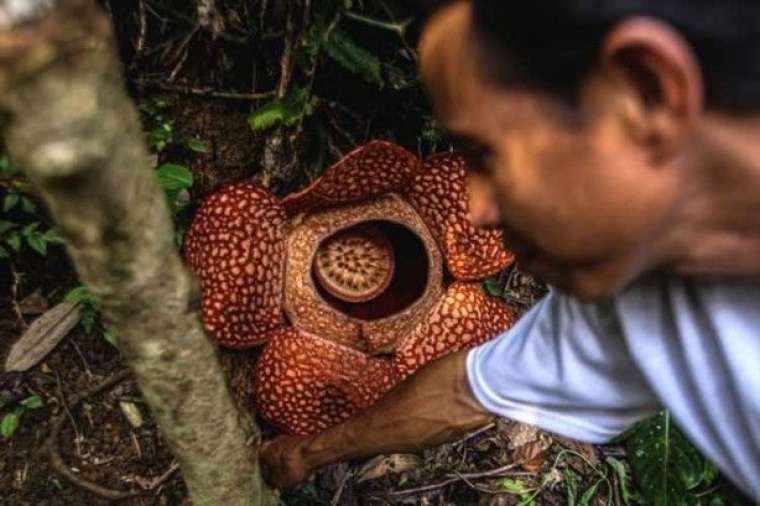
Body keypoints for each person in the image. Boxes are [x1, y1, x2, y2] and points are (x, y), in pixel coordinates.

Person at [260, 0, 760, 499]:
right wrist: (306, 453)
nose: (475, 210)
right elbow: (465, 392)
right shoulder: (638, 303)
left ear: (647, 91)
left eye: (487, 154)